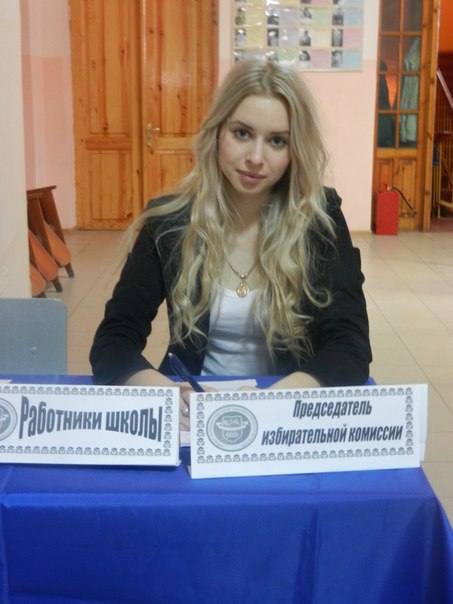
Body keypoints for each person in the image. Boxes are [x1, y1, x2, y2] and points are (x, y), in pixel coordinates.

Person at [90, 58, 372, 423]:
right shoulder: (170, 223)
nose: (255, 158)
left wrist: (272, 400)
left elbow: (350, 347)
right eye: (242, 133)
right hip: (193, 416)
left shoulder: (319, 221)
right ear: (218, 132)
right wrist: (164, 390)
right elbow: (114, 340)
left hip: (284, 414)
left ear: (294, 150)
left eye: (276, 141)